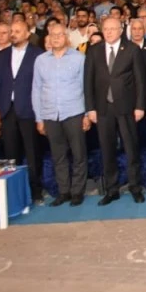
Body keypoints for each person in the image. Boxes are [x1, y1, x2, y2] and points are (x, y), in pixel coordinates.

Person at [84, 17, 146, 205]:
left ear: (121, 30)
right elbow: (87, 82)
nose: (109, 32)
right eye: (106, 29)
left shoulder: (132, 49)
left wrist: (140, 106)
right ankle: (112, 190)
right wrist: (90, 109)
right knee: (107, 149)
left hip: (126, 107)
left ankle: (135, 186)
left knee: (131, 148)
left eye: (113, 28)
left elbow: (140, 81)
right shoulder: (94, 51)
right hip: (103, 108)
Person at [32, 27, 90, 206]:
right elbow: (36, 89)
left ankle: (77, 192)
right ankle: (63, 191)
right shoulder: (40, 60)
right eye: (53, 35)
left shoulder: (79, 58)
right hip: (50, 114)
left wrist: (87, 114)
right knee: (58, 156)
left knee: (79, 154)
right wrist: (39, 118)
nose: (56, 38)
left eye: (60, 35)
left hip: (74, 112)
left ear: (66, 38)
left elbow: (86, 88)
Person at [0, 19, 45, 201]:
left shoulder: (38, 54)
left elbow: (41, 85)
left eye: (17, 31)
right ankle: (14, 193)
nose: (13, 34)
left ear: (27, 34)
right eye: (11, 31)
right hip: (7, 109)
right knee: (11, 153)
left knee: (32, 152)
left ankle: (35, 190)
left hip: (29, 109)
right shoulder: (3, 54)